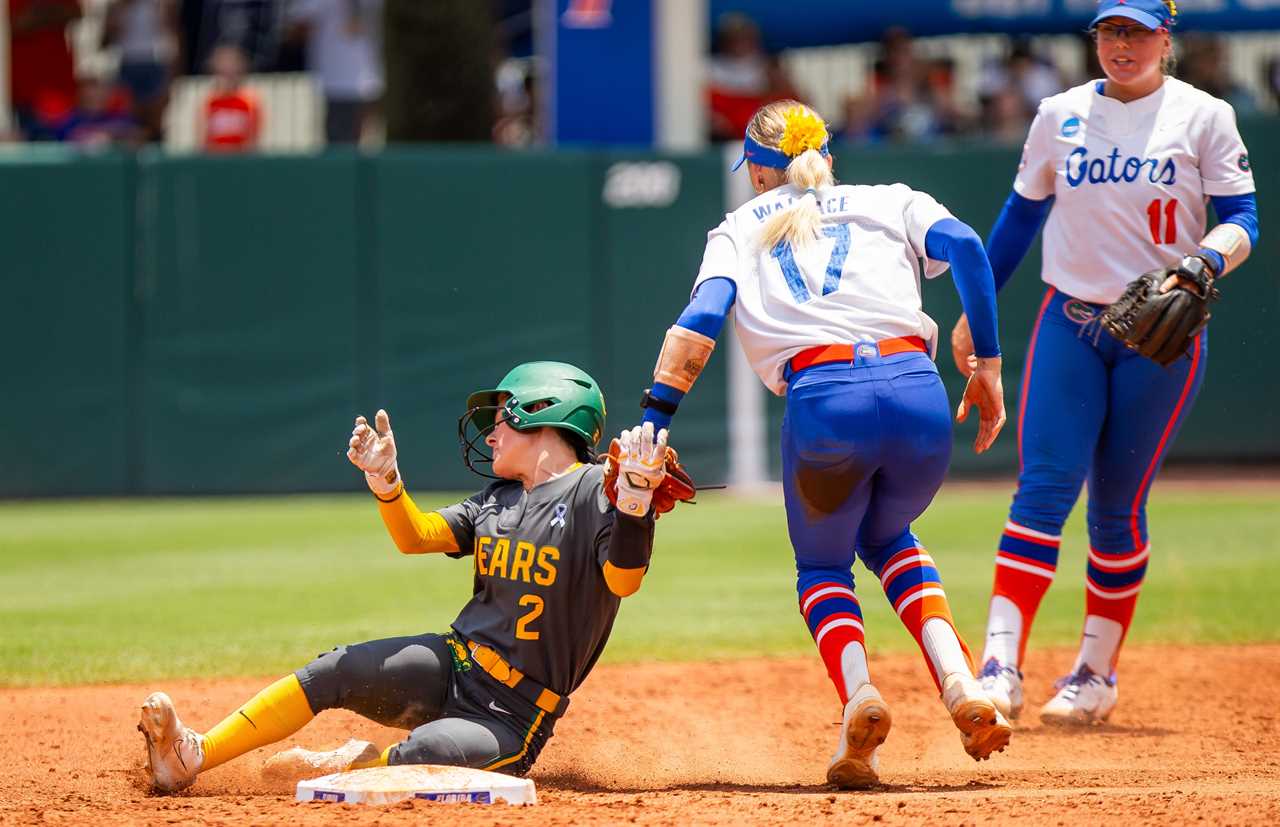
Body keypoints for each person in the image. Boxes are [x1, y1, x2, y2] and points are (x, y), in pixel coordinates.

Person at [634, 100, 1012, 789]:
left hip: (825, 402)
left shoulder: (737, 228)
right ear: (828, 157)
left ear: (754, 171)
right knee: (890, 535)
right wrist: (986, 364)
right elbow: (969, 249)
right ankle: (962, 681)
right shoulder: (891, 199)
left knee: (823, 567)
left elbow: (701, 321)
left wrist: (656, 417)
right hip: (918, 391)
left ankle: (861, 694)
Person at [138, 362, 670, 792]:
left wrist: (634, 508)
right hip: (453, 663)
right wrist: (386, 482)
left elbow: (623, 581)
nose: (490, 435)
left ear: (543, 411)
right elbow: (415, 536)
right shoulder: (499, 500)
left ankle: (340, 768)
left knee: (421, 756)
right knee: (333, 671)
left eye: (501, 418)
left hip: (513, 713)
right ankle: (192, 755)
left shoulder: (596, 491)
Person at [952, 0, 1259, 726]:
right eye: (1110, 32)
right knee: (1042, 489)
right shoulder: (1058, 113)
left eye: (1137, 31)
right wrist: (978, 305)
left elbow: (1244, 217)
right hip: (1072, 322)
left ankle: (1095, 672)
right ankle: (999, 666)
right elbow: (1020, 215)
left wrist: (1201, 262)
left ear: (1165, 36)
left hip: (1159, 337)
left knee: (1116, 509)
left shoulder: (1204, 115)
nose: (1122, 45)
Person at [200, 43, 262, 153]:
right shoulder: (210, 102)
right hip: (215, 160)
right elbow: (204, 138)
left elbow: (252, 140)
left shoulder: (249, 102)